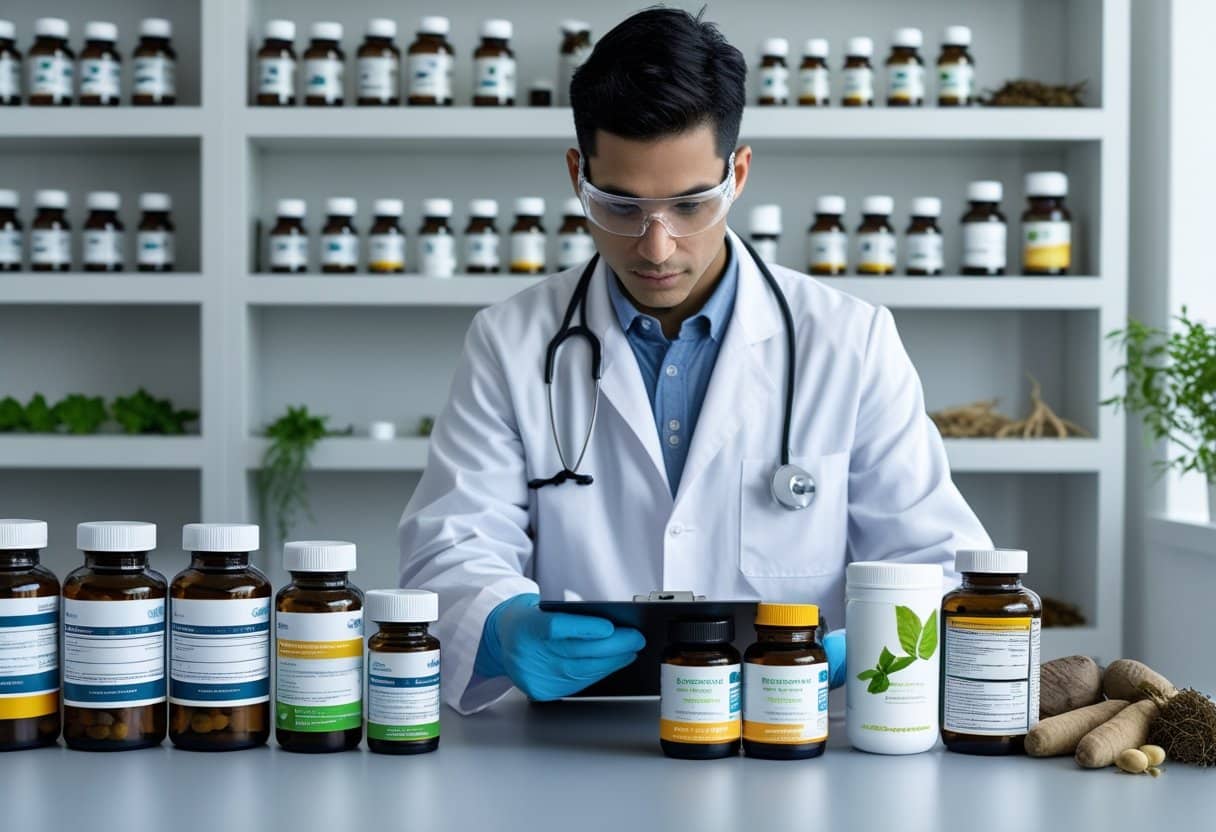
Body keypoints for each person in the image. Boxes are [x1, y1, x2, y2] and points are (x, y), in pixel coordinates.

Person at [399, 8, 991, 715]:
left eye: (689, 205)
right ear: (576, 176)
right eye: (619, 205)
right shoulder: (511, 341)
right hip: (579, 734)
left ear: (737, 174)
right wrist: (499, 626)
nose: (656, 246)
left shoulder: (850, 341)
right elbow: (452, 544)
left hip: (782, 730)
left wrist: (846, 652)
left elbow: (935, 563)